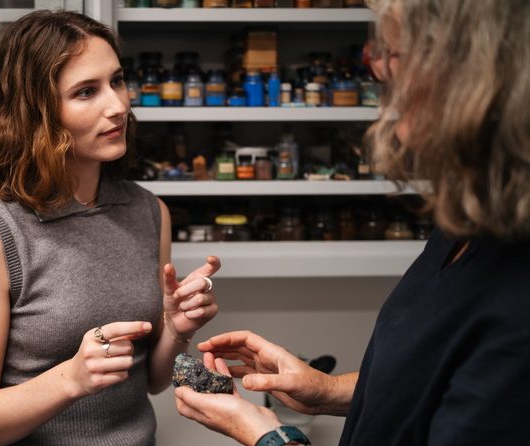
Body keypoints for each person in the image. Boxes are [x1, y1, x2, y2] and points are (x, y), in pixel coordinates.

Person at [174, 0, 530, 444]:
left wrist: (271, 437)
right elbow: (429, 383)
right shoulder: (470, 221)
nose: (376, 67)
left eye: (393, 53)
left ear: (467, 73)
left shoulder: (517, 302)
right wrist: (326, 390)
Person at [0, 10, 221, 446]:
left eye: (117, 81)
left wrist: (176, 328)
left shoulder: (148, 212)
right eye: (87, 92)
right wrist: (70, 378)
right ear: (36, 114)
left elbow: (152, 381)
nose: (118, 105)